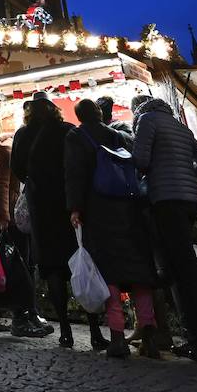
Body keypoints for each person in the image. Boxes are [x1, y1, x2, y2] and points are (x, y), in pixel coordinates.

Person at [131, 96, 197, 366]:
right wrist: (182, 171)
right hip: (190, 201)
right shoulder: (180, 126)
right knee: (182, 269)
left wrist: (161, 172)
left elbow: (140, 160)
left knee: (186, 272)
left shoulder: (146, 121)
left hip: (165, 200)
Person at [65, 98, 159, 360]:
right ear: (99, 113)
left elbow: (74, 174)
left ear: (79, 116)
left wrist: (75, 208)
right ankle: (150, 335)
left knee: (110, 274)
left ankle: (117, 336)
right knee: (140, 272)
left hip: (99, 210)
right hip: (129, 209)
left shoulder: (76, 137)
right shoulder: (119, 135)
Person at [12, 96, 79, 349]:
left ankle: (65, 330)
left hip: (41, 207)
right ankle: (95, 329)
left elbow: (18, 170)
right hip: (68, 204)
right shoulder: (66, 131)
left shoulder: (22, 135)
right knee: (79, 264)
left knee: (52, 269)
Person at [0, 122, 53, 337]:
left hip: (26, 217)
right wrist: (2, 217)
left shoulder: (28, 148)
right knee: (18, 268)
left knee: (28, 266)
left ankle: (30, 312)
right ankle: (20, 317)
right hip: (13, 218)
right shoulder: (6, 149)